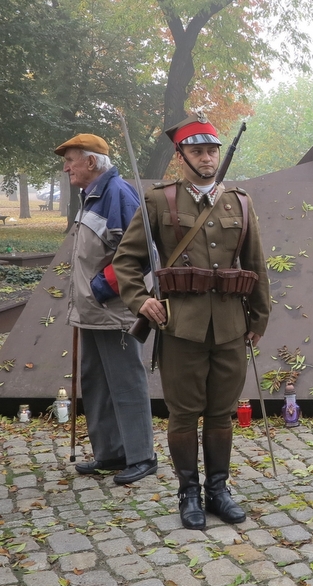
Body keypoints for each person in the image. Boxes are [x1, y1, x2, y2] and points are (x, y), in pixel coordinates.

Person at [113, 114, 270, 529]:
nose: (207, 157)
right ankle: (189, 493)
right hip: (180, 325)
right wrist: (141, 301)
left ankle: (219, 489)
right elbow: (126, 262)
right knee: (184, 415)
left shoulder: (239, 202)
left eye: (212, 150)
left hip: (232, 325)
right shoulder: (160, 200)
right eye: (197, 151)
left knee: (221, 413)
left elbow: (255, 265)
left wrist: (259, 318)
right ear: (181, 155)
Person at [55, 133, 157, 485]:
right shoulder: (91, 196)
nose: (66, 167)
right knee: (95, 382)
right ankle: (110, 453)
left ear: (92, 162)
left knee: (126, 383)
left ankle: (142, 455)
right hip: (91, 313)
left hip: (114, 312)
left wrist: (98, 289)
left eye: (71, 160)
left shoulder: (118, 194)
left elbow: (143, 255)